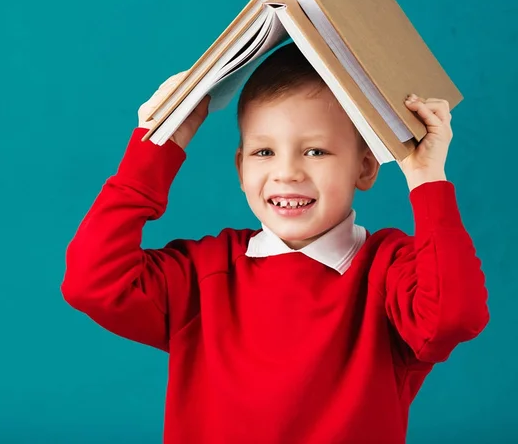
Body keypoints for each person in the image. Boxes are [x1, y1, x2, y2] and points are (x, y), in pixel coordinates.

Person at [61, 44, 489, 444]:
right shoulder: (203, 272)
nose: (287, 173)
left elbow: (453, 318)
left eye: (316, 152)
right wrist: (155, 147)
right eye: (264, 152)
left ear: (365, 168)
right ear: (241, 168)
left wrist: (426, 175)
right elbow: (91, 281)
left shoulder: (392, 270)